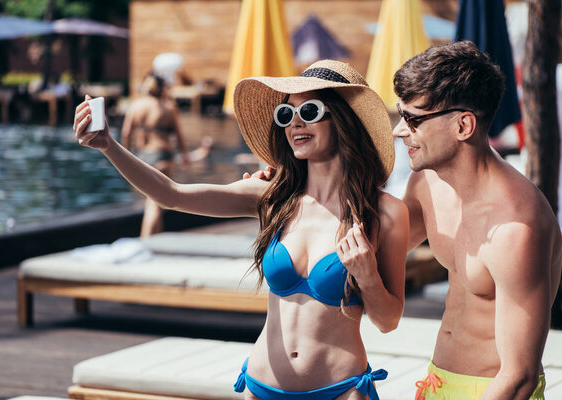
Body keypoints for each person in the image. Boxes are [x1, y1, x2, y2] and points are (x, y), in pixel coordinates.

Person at [74, 59, 409, 399]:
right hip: (261, 387)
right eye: (285, 114)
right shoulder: (272, 197)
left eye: (308, 111)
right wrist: (108, 146)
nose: (294, 123)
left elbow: (387, 321)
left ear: (343, 119)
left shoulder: (384, 213)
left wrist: (368, 277)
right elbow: (170, 195)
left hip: (341, 390)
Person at [392, 41, 562, 399]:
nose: (399, 130)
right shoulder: (426, 183)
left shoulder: (515, 227)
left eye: (413, 119)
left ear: (463, 125)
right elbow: (378, 244)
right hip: (436, 382)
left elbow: (519, 376)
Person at [120, 72, 190, 237]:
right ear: (162, 89)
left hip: (142, 157)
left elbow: (126, 134)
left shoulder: (135, 106)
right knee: (156, 203)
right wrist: (185, 155)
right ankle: (147, 241)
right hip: (162, 157)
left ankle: (155, 240)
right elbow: (179, 136)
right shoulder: (168, 107)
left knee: (153, 201)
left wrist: (126, 159)